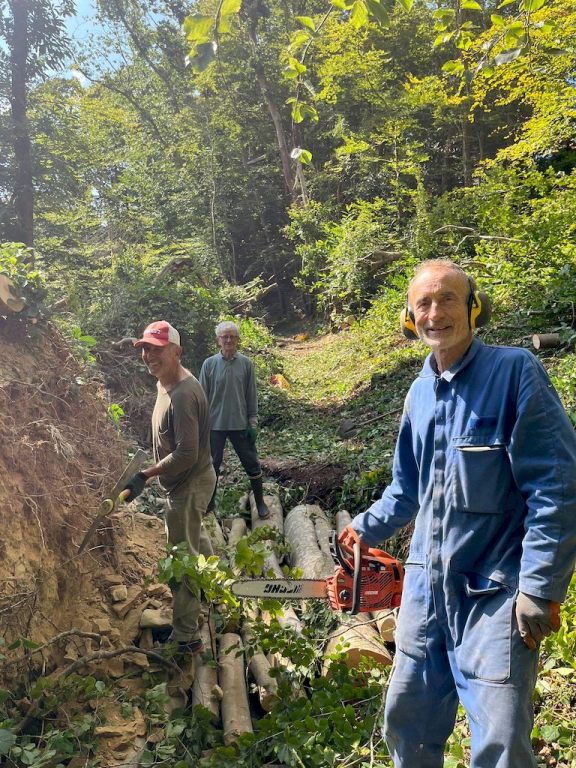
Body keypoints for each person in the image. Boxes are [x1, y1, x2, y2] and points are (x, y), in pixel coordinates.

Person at [337, 260, 576, 768]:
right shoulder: (419, 393)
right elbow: (406, 489)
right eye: (423, 303)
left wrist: (539, 585)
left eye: (447, 298)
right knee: (407, 721)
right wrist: (362, 528)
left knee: (501, 738)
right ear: (410, 318)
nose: (435, 313)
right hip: (425, 592)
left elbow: (556, 486)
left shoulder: (514, 373)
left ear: (472, 308)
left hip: (495, 593)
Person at [122, 320, 216, 655]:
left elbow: (187, 453)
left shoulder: (184, 395)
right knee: (195, 536)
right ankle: (216, 589)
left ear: (177, 352)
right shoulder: (165, 381)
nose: (149, 355)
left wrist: (147, 474)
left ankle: (187, 638)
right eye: (145, 349)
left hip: (188, 483)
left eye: (157, 349)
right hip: (184, 482)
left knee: (181, 559)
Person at [199, 320, 270, 519]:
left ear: (238, 339)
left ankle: (260, 502)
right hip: (214, 425)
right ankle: (209, 506)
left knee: (251, 463)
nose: (228, 340)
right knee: (211, 466)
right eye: (225, 337)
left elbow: (251, 394)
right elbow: (202, 397)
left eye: (232, 337)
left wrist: (253, 421)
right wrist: (201, 425)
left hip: (240, 424)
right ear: (218, 340)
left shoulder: (246, 364)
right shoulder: (209, 364)